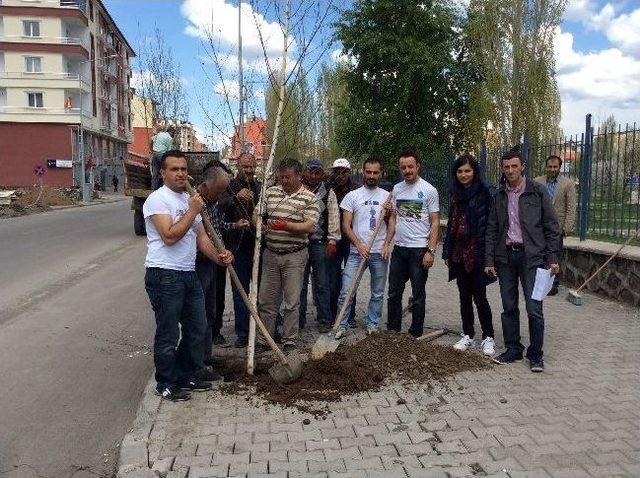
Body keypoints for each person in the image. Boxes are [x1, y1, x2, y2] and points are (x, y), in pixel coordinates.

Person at [143, 150, 233, 401]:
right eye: (174, 169)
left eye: (183, 169)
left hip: (188, 273)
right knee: (168, 333)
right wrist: (193, 211)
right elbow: (169, 236)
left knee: (198, 327)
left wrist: (219, 257)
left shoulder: (188, 199)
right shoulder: (157, 200)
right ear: (163, 173)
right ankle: (166, 383)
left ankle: (184, 375)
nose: (180, 173)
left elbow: (201, 239)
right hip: (164, 275)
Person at [485, 150, 560, 372]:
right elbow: (491, 229)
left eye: (514, 166)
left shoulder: (537, 191)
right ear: (502, 169)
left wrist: (553, 257)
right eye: (506, 167)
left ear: (522, 166)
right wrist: (489, 260)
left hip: (533, 258)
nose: (510, 171)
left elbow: (551, 226)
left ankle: (536, 355)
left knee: (534, 307)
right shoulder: (499, 195)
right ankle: (513, 349)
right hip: (506, 257)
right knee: (509, 306)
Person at [256, 158, 319, 354]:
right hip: (271, 254)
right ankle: (264, 338)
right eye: (281, 177)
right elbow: (257, 214)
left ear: (299, 176)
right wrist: (260, 224)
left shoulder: (309, 198)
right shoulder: (270, 192)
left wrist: (288, 226)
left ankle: (290, 339)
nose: (283, 180)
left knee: (292, 301)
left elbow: (310, 225)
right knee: (266, 300)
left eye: (288, 177)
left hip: (295, 255)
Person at [195, 166, 249, 368]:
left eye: (222, 192)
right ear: (204, 185)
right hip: (198, 264)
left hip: (212, 263)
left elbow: (217, 227)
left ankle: (206, 355)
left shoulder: (212, 202)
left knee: (211, 311)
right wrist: (219, 255)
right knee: (198, 314)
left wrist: (235, 225)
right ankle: (196, 361)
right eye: (218, 191)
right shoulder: (194, 203)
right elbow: (200, 238)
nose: (220, 196)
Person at [442, 154, 495, 355]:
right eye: (460, 171)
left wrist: (490, 257)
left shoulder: (485, 193)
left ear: (475, 172)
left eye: (467, 171)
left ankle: (488, 336)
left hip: (478, 254)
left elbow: (490, 226)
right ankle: (468, 334)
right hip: (458, 254)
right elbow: (452, 224)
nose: (464, 175)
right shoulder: (455, 193)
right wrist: (447, 251)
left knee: (480, 297)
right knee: (464, 296)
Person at [334, 157, 393, 338]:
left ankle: (372, 323)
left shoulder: (388, 197)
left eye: (376, 172)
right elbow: (346, 225)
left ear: (380, 173)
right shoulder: (353, 196)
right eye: (369, 172)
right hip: (356, 252)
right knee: (347, 291)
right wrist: (358, 244)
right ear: (363, 172)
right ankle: (341, 325)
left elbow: (391, 222)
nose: (372, 176)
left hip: (379, 252)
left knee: (377, 292)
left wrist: (386, 244)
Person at [385, 150, 440, 338]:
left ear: (418, 166)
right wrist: (387, 243)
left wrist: (431, 251)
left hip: (419, 250)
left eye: (410, 166)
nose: (407, 170)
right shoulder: (397, 189)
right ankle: (393, 330)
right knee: (393, 292)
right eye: (403, 167)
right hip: (399, 249)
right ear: (400, 169)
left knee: (418, 294)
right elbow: (393, 218)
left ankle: (415, 332)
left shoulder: (429, 190)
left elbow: (435, 222)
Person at [220, 152, 261, 348]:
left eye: (252, 167)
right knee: (240, 291)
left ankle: (262, 329)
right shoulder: (228, 187)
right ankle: (243, 333)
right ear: (238, 166)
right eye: (245, 167)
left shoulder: (259, 187)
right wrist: (236, 198)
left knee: (262, 290)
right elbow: (219, 208)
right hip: (236, 247)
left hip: (258, 246)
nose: (249, 171)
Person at [299, 158, 341, 332]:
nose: (314, 175)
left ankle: (325, 319)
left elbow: (333, 216)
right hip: (299, 242)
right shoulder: (298, 189)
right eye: (311, 171)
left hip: (319, 243)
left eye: (317, 172)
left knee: (322, 284)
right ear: (304, 172)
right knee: (299, 285)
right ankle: (298, 321)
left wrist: (333, 239)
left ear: (321, 174)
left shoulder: (328, 191)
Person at [535, 155, 576, 295]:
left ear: (559, 167)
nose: (552, 169)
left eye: (555, 167)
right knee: (540, 255)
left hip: (557, 227)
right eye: (550, 167)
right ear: (546, 167)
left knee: (554, 255)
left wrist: (567, 228)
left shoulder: (567, 184)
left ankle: (553, 285)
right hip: (539, 225)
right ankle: (539, 283)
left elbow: (571, 207)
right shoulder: (537, 182)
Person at [327, 158, 358, 327]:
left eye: (344, 171)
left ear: (349, 172)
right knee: (333, 278)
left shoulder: (355, 189)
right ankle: (334, 315)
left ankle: (350, 314)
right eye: (337, 171)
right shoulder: (328, 188)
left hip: (351, 238)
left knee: (351, 277)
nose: (341, 174)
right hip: (334, 238)